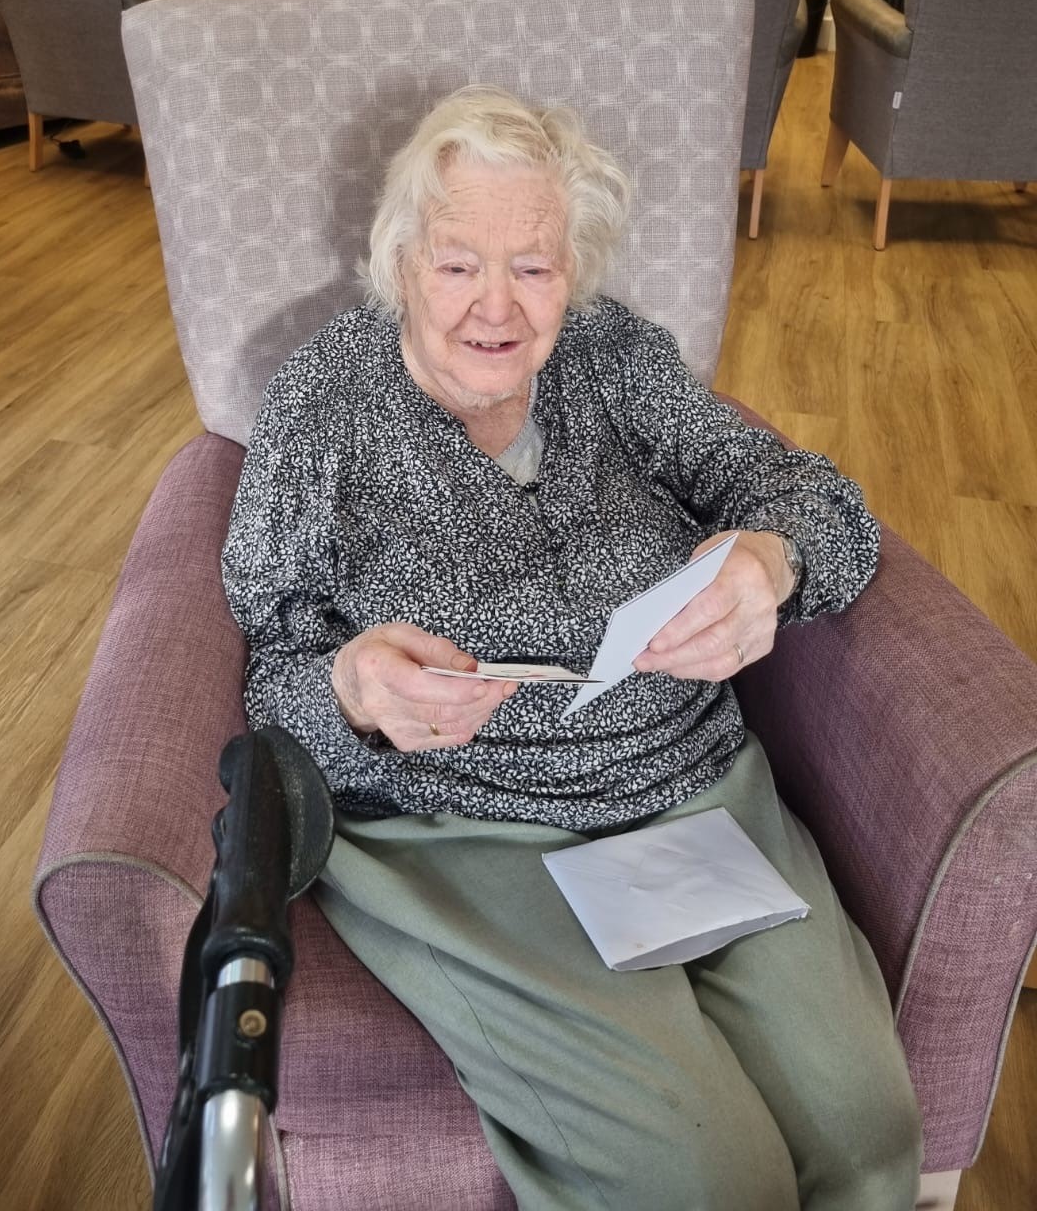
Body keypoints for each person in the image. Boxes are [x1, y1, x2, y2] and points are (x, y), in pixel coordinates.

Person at [221, 86, 923, 1211]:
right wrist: (353, 691)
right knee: (703, 1173)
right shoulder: (326, 400)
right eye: (457, 264)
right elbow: (272, 660)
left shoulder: (613, 357)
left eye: (535, 266)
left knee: (869, 1125)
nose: (496, 305)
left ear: (574, 272)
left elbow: (803, 492)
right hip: (465, 826)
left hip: (694, 792)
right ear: (401, 262)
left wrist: (770, 565)